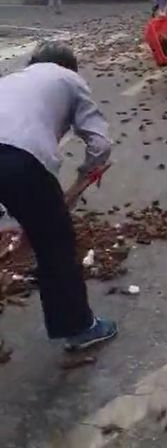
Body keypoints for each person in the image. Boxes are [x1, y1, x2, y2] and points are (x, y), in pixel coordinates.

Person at [0, 41, 116, 352]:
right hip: (20, 158)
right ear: (69, 67)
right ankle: (78, 327)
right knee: (56, 243)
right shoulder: (69, 79)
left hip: (12, 157)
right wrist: (87, 172)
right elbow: (100, 144)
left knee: (38, 225)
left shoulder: (11, 78)